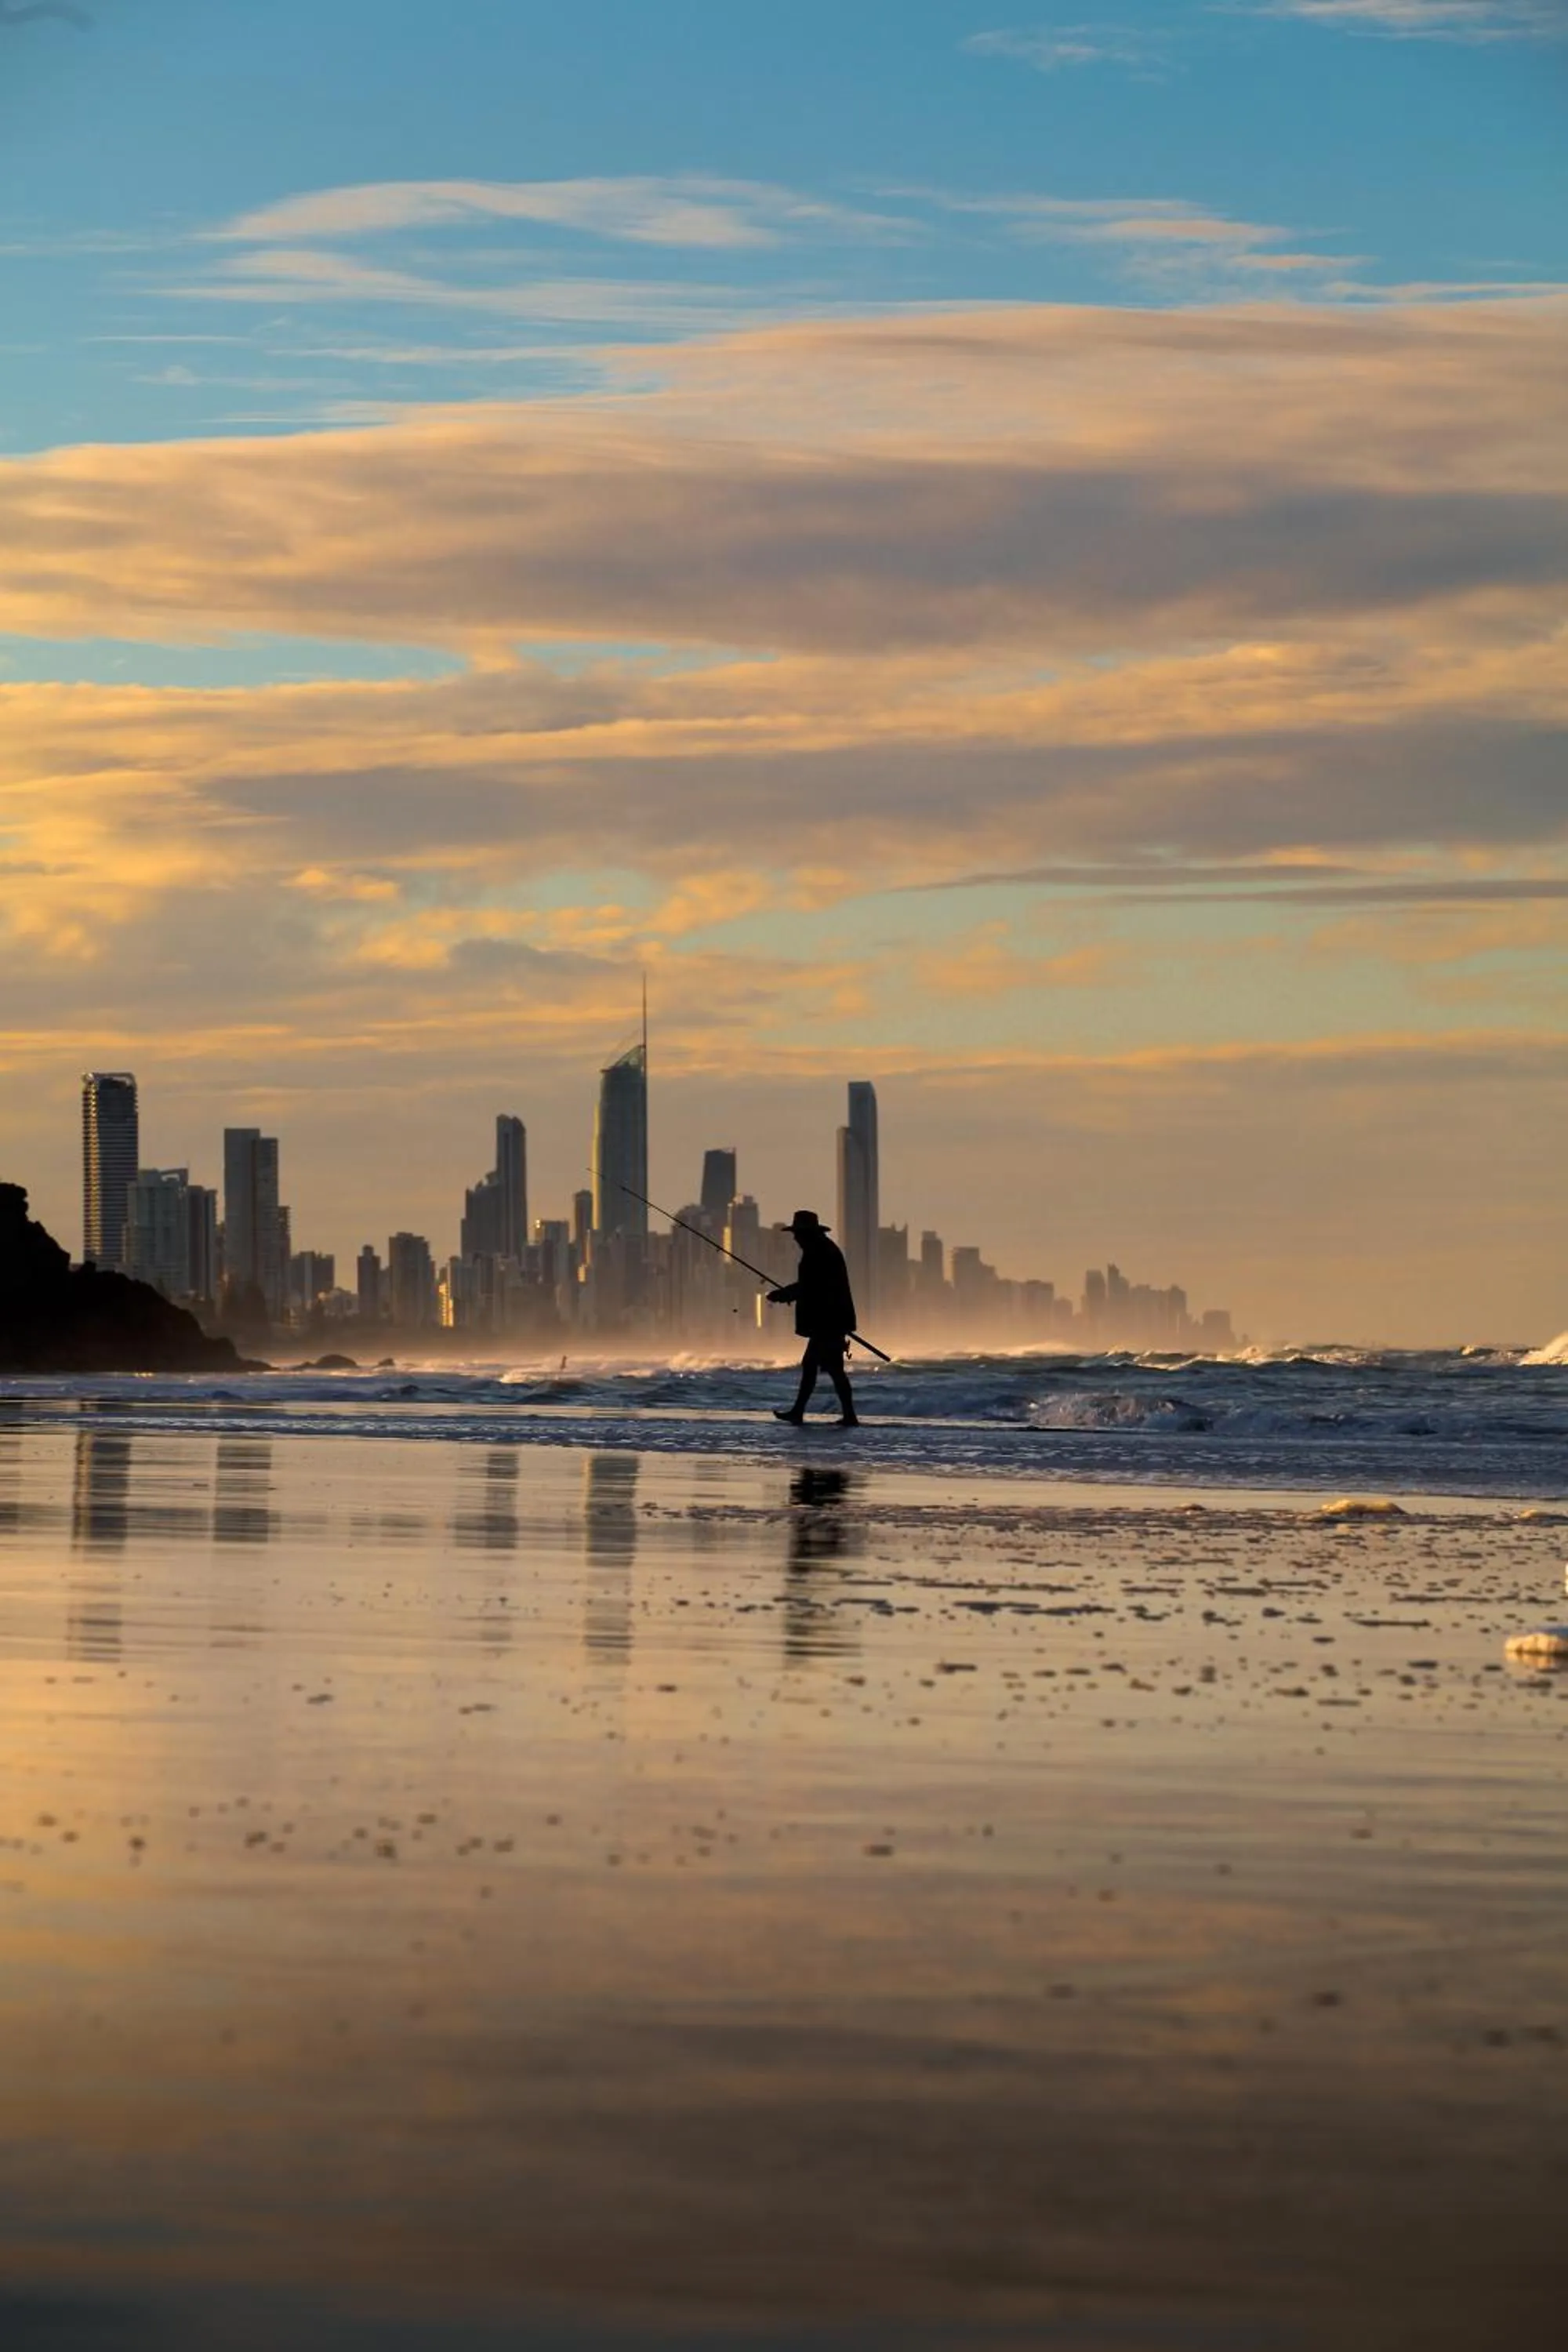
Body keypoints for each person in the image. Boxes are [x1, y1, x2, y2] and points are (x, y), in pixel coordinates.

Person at [768, 1209, 859, 1427]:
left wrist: (784, 1294)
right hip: (831, 1320)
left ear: (807, 1233)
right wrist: (789, 1294)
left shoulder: (819, 1252)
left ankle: (801, 1412)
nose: (795, 1238)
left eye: (798, 1233)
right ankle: (848, 1416)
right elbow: (812, 1286)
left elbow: (812, 1286)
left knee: (812, 1365)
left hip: (828, 1321)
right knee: (834, 1369)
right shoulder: (823, 1249)